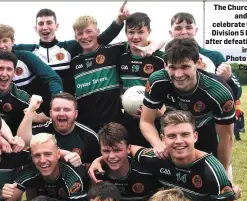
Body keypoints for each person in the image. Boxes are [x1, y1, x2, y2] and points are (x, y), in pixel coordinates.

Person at [90, 111, 238, 201]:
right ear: (163, 139)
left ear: (195, 136)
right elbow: (130, 149)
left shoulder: (211, 168)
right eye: (172, 136)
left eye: (185, 135)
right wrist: (100, 160)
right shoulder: (158, 158)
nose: (178, 141)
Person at [140, 37, 235, 175]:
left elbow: (227, 139)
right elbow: (146, 121)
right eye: (172, 67)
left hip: (206, 136)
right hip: (173, 136)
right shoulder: (157, 81)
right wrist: (159, 145)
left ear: (198, 63)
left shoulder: (218, 92)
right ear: (165, 65)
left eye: (185, 66)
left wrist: (221, 173)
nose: (178, 75)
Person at [71, 14, 164, 132]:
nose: (85, 36)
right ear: (75, 37)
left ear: (98, 32)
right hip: (86, 124)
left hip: (115, 123)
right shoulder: (73, 61)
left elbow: (153, 41)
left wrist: (152, 46)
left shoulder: (114, 50)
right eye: (80, 33)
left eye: (89, 31)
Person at [14, 4, 127, 95]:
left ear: (56, 26)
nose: (45, 27)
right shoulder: (27, 51)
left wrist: (119, 20)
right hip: (41, 113)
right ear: (36, 28)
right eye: (41, 24)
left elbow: (100, 39)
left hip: (66, 110)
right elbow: (3, 45)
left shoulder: (69, 47)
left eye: (49, 23)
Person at [1, 133, 87, 201]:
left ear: (58, 154)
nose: (42, 160)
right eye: (37, 155)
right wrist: (3, 195)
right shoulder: (29, 171)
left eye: (48, 154)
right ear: (32, 157)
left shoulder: (72, 177)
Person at [84, 122, 159, 201]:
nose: (112, 156)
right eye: (106, 151)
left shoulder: (146, 168)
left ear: (129, 149)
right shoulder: (97, 173)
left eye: (117, 150)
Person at [0, 24, 63, 109]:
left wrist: (57, 102)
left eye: (5, 41)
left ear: (12, 41)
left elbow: (53, 78)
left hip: (32, 112)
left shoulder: (27, 57)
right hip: (5, 114)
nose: (1, 46)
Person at [168, 12, 242, 101]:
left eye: (189, 28)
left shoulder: (215, 56)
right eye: (178, 28)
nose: (184, 32)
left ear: (196, 30)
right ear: (170, 32)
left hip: (208, 112)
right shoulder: (164, 58)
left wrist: (228, 78)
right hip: (174, 112)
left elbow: (237, 94)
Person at [119, 12, 165, 146]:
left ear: (149, 32)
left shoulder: (160, 59)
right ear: (126, 32)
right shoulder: (121, 57)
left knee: (156, 155)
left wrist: (160, 113)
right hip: (129, 119)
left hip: (155, 118)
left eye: (140, 32)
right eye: (131, 32)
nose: (135, 36)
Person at [17, 92, 100, 166]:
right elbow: (23, 142)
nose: (61, 113)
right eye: (57, 109)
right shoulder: (40, 132)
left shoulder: (89, 136)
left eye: (67, 110)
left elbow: (96, 165)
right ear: (50, 113)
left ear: (75, 114)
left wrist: (81, 166)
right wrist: (31, 109)